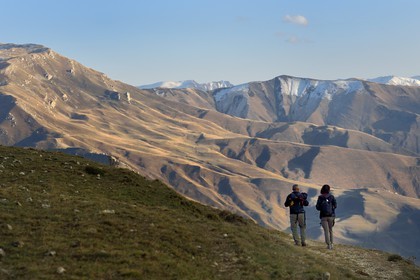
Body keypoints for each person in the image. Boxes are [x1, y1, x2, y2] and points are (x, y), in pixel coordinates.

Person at [316, 184, 337, 250]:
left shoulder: (320, 197)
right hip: (331, 216)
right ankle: (332, 243)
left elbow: (318, 207)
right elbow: (335, 205)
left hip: (323, 216)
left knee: (326, 231)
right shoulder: (332, 197)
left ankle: (328, 244)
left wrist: (322, 208)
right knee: (330, 230)